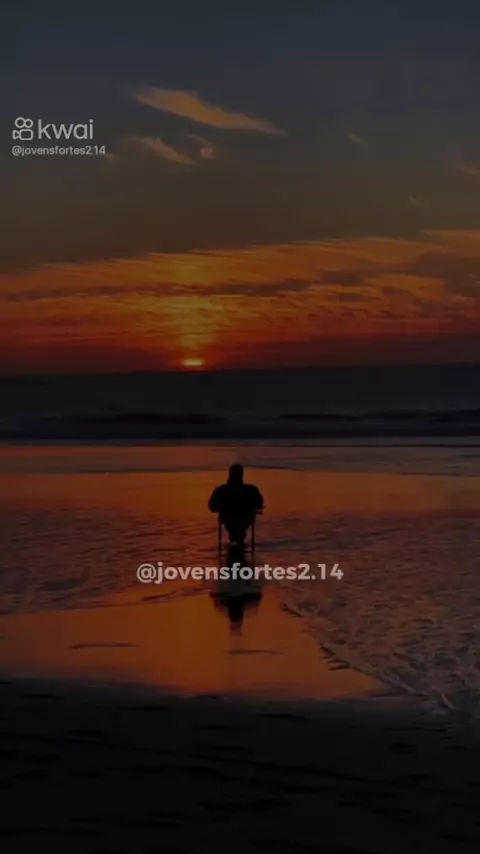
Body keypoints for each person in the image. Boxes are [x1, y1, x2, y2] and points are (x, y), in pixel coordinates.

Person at [208, 464, 264, 544]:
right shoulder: (251, 490)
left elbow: (212, 507)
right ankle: (238, 539)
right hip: (245, 519)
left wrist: (222, 508)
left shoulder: (221, 490)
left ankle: (236, 539)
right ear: (242, 475)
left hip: (228, 519)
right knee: (238, 527)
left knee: (235, 528)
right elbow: (259, 504)